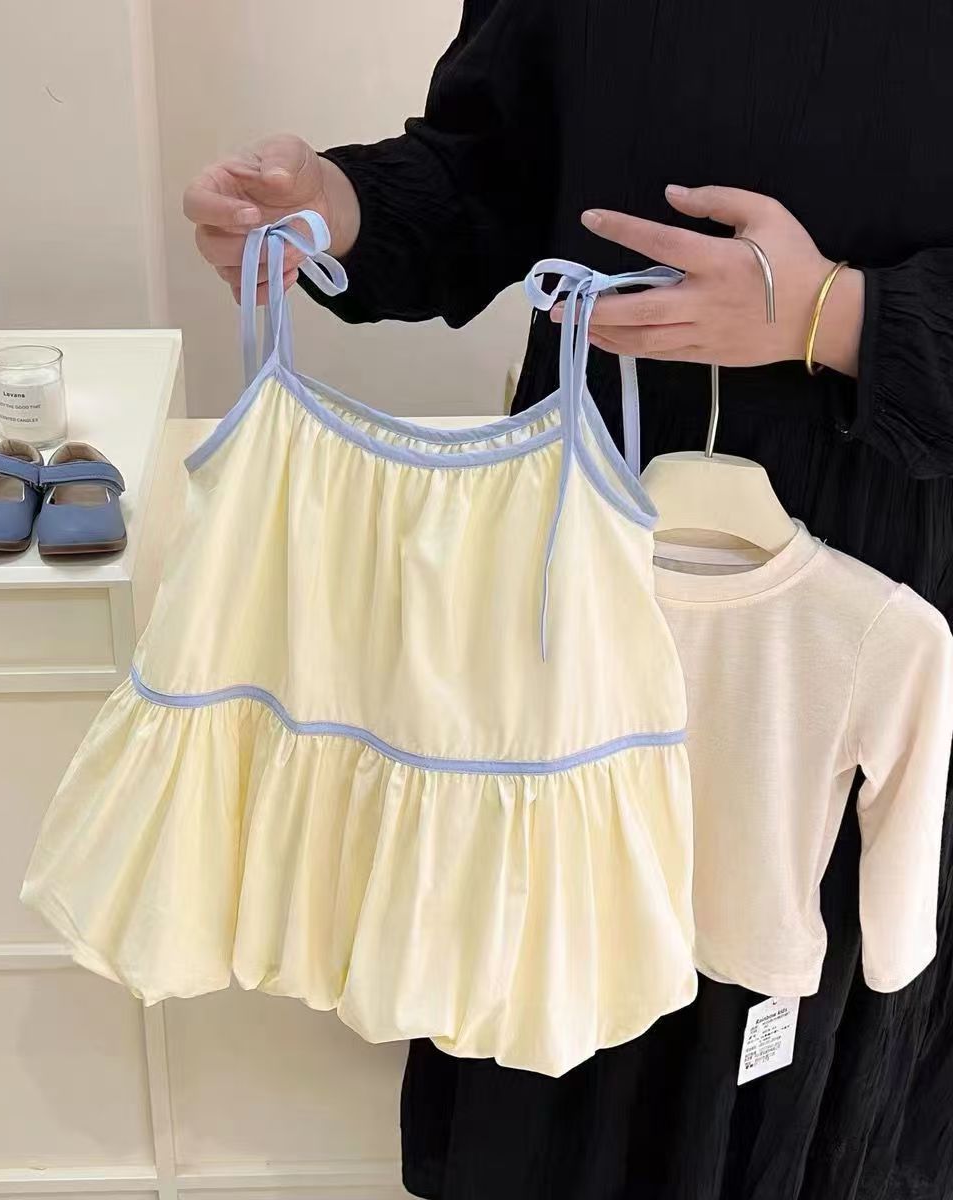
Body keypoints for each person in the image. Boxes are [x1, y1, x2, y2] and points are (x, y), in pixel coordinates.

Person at [183, 3, 953, 1197]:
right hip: (579, 569)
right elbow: (494, 165)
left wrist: (839, 316)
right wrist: (340, 206)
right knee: (552, 994)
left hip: (871, 577)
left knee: (798, 1002)